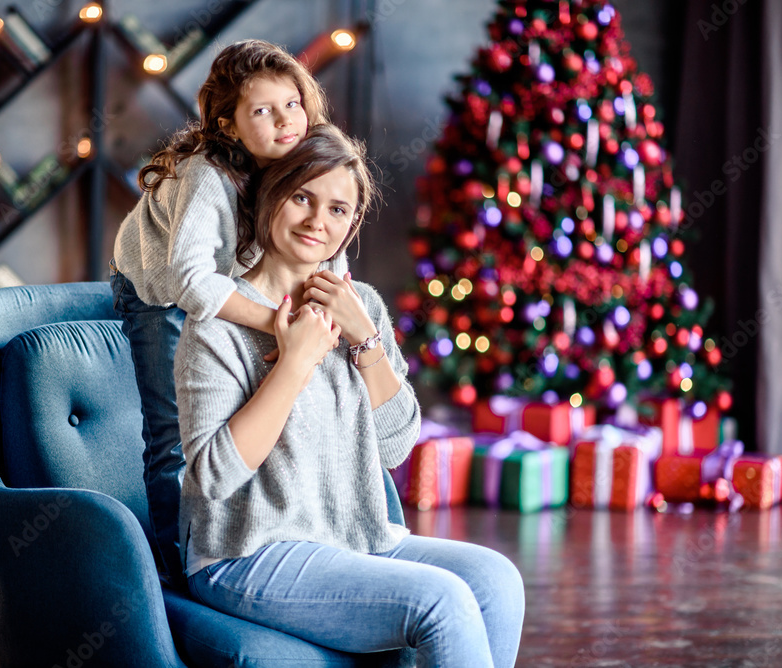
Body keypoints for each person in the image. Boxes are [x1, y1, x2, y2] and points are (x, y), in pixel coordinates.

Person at [176, 124, 525, 667]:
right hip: (245, 553)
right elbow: (214, 478)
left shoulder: (360, 305)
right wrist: (294, 360)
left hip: (351, 535)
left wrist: (366, 341)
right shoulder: (218, 323)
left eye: (339, 210)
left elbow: (394, 449)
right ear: (271, 197)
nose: (319, 221)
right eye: (302, 198)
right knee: (442, 600)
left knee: (496, 580)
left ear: (353, 223)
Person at [109, 40, 345, 589]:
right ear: (231, 126)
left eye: (292, 103)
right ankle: (178, 574)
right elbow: (189, 281)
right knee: (172, 434)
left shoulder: (303, 159)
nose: (285, 121)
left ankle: (271, 533)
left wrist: (331, 306)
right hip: (158, 291)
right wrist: (276, 324)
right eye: (262, 110)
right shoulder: (205, 176)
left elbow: (326, 243)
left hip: (235, 284)